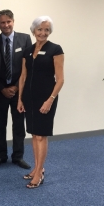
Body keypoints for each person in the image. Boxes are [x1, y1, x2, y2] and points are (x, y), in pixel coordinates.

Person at [17, 16, 64, 189]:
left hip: (46, 98)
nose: (43, 33)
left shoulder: (55, 49)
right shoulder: (28, 50)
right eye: (40, 29)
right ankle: (37, 167)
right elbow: (23, 76)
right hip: (29, 98)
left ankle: (39, 172)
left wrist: (50, 100)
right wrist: (20, 99)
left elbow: (60, 80)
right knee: (34, 134)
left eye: (47, 30)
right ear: (34, 30)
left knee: (41, 135)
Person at [0, 9, 32, 169]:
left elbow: (28, 67)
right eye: (2, 22)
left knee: (19, 125)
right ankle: (0, 156)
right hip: (0, 92)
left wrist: (15, 87)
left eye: (8, 21)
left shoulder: (25, 39)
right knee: (0, 126)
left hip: (19, 92)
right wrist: (1, 89)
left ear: (13, 21)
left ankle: (18, 157)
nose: (6, 25)